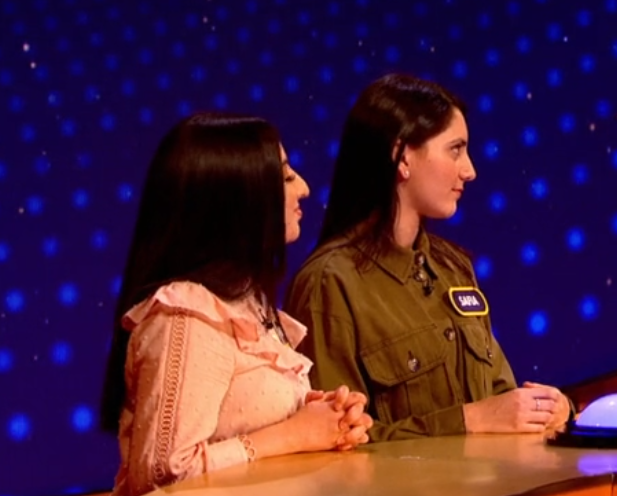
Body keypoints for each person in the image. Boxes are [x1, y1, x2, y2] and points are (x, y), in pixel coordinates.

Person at [285, 73, 573, 441]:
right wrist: (467, 421)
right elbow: (335, 444)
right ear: (402, 156)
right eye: (455, 149)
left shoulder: (453, 266)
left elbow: (500, 402)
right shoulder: (331, 282)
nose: (469, 170)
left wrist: (550, 408)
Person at [100, 113, 373, 496]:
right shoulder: (187, 314)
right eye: (285, 176)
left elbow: (238, 418)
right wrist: (293, 434)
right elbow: (163, 476)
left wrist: (323, 417)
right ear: (238, 197)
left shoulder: (244, 306)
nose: (305, 188)